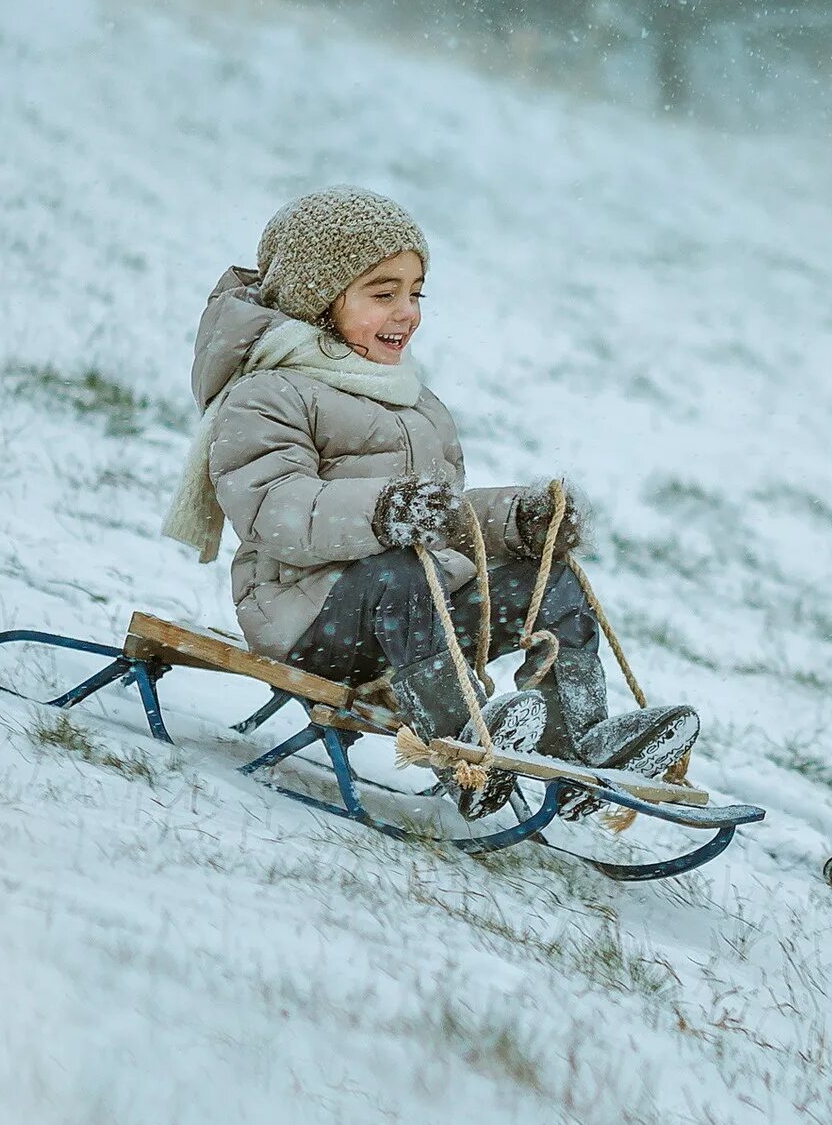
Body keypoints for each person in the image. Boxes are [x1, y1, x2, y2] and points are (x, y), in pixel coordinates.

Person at [163, 185, 697, 817]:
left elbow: (442, 520)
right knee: (399, 573)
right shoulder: (269, 394)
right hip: (311, 621)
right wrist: (386, 510)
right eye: (382, 293)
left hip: (420, 619)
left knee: (543, 583)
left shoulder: (417, 404)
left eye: (415, 293)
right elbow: (276, 510)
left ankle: (572, 745)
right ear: (318, 297)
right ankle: (463, 749)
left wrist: (515, 523)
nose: (407, 312)